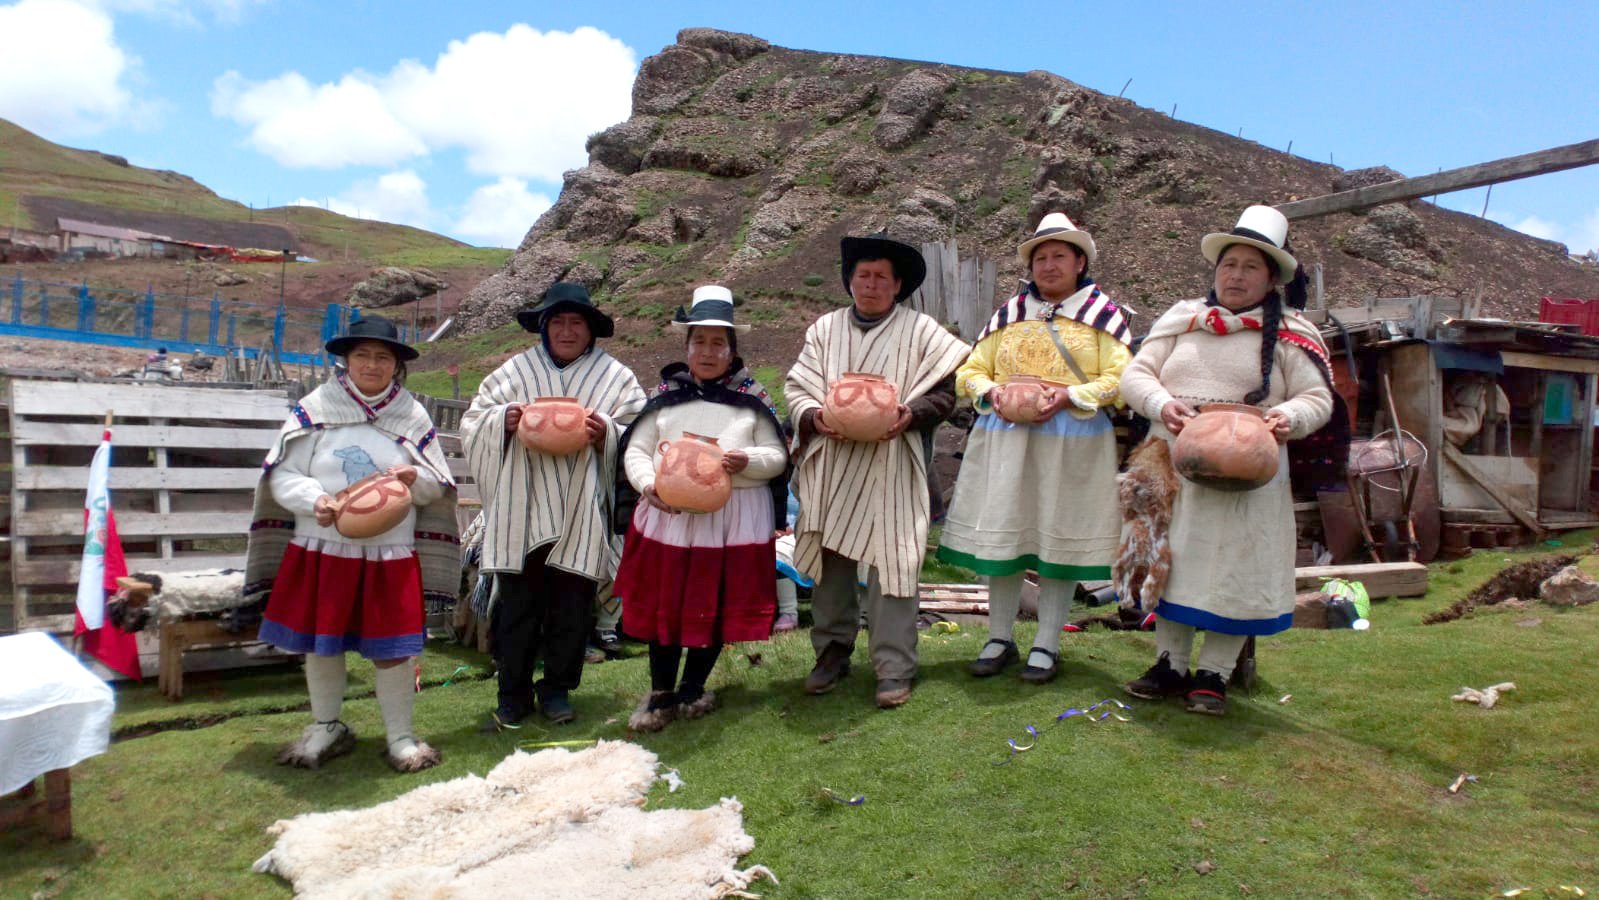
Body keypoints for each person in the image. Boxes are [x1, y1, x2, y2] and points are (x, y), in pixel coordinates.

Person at [1118, 205, 1334, 715]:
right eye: (1228, 264)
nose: (1235, 275)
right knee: (1173, 560)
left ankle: (1212, 676)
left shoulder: (1291, 334)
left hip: (1248, 472)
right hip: (1171, 466)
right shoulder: (1181, 319)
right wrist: (1161, 404)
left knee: (1235, 568)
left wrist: (1285, 417)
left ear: (1271, 278)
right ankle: (1169, 665)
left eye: (1250, 267)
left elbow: (1317, 399)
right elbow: (1136, 374)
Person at [245, 316, 459, 772]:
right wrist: (316, 499)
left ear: (397, 366)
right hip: (323, 548)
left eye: (383, 357)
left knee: (393, 648)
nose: (372, 364)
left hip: (389, 555)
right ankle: (326, 725)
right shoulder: (316, 407)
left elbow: (435, 487)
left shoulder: (412, 416)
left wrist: (412, 478)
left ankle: (401, 736)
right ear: (346, 360)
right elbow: (282, 474)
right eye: (362, 355)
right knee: (322, 643)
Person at [937, 212, 1132, 683]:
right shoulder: (1008, 316)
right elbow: (970, 371)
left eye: (1058, 256)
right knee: (1006, 536)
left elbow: (1123, 380)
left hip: (1073, 444)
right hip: (1006, 441)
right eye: (1040, 257)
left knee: (1055, 539)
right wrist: (994, 393)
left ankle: (1046, 643)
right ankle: (999, 636)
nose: (1048, 265)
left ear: (1079, 261)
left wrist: (1070, 394)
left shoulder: (1103, 317)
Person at [785, 232, 969, 709]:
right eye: (862, 275)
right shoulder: (824, 330)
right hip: (834, 464)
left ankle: (893, 667)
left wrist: (912, 414)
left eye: (881, 277)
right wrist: (815, 417)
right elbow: (797, 388)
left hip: (894, 466)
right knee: (832, 567)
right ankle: (831, 653)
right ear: (850, 281)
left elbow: (947, 393)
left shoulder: (923, 331)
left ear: (897, 285)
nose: (870, 285)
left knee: (894, 565)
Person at [461, 282, 645, 728]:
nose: (566, 330)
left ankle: (558, 690)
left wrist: (609, 434)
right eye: (557, 322)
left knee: (572, 606)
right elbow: (473, 420)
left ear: (590, 330)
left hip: (581, 512)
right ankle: (513, 694)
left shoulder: (615, 377)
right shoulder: (513, 372)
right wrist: (499, 422)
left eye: (575, 322)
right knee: (517, 608)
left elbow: (639, 430)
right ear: (543, 327)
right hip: (519, 511)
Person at [612, 286, 789, 731]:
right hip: (669, 520)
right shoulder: (668, 395)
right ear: (686, 346)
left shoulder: (752, 399)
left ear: (732, 350)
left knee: (714, 604)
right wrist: (650, 484)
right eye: (700, 342)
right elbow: (637, 450)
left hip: (732, 522)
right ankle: (660, 693)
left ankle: (693, 688)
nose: (708, 352)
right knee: (666, 605)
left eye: (718, 343)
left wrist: (744, 462)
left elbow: (778, 457)